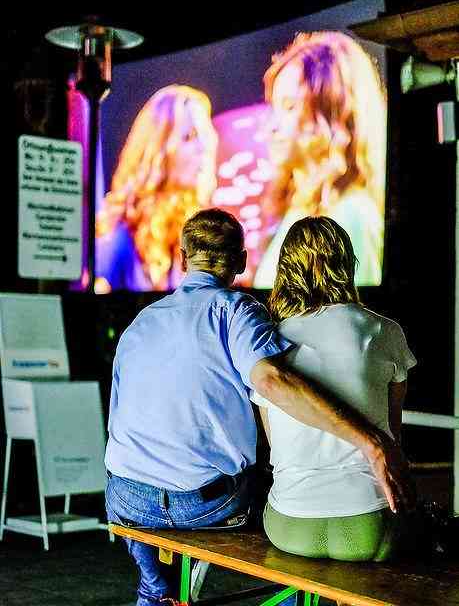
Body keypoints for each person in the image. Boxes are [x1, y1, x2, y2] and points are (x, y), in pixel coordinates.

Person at [105, 208, 412, 606]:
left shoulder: (141, 322)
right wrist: (370, 442)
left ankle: (154, 587)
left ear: (181, 258)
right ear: (242, 260)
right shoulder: (239, 312)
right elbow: (271, 381)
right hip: (208, 504)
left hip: (127, 499)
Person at [251, 217, 416, 583]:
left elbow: (276, 446)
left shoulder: (271, 345)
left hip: (289, 523)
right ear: (347, 263)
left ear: (286, 268)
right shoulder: (384, 331)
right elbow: (393, 434)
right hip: (369, 521)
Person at [254, 31, 386, 288]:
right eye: (274, 107)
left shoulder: (350, 215)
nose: (271, 127)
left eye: (290, 106)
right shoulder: (300, 209)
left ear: (332, 113)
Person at [95, 85, 218, 292]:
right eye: (189, 136)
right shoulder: (119, 236)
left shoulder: (196, 228)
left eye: (205, 135)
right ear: (158, 150)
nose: (204, 148)